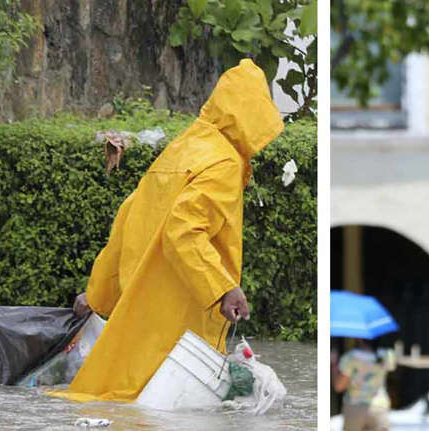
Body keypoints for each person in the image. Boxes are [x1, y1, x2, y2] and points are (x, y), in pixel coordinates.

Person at [63, 59, 284, 401]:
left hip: (139, 314)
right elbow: (184, 230)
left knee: (120, 407)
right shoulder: (224, 162)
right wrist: (223, 288)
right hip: (177, 319)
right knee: (171, 421)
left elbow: (130, 215)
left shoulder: (183, 147)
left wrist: (97, 295)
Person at [331, 339, 396, 431]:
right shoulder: (387, 355)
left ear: (359, 338)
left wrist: (334, 368)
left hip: (354, 405)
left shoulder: (351, 357)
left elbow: (339, 386)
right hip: (379, 405)